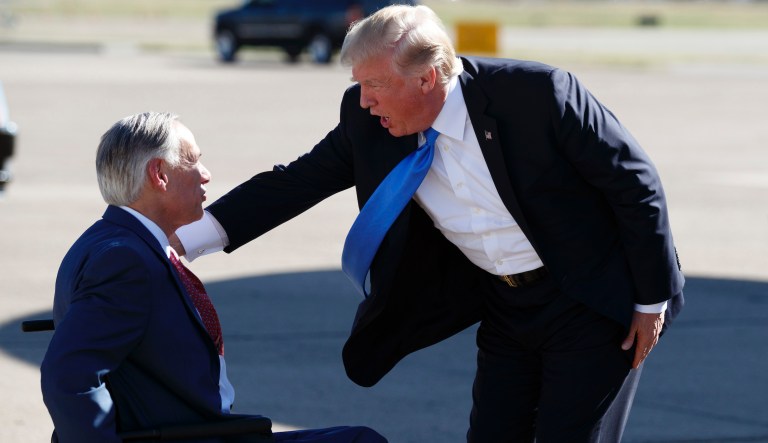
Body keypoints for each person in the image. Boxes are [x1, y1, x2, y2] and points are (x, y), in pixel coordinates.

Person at [175, 5, 685, 442]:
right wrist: (179, 241)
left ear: (427, 78)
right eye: (359, 85)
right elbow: (295, 182)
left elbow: (635, 184)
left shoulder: (537, 96)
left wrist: (651, 301)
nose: (365, 100)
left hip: (589, 300)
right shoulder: (369, 121)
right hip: (505, 307)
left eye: (375, 85)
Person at [40, 112, 387, 443]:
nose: (205, 175)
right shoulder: (125, 262)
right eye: (193, 161)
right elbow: (69, 376)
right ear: (159, 174)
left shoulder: (108, 241)